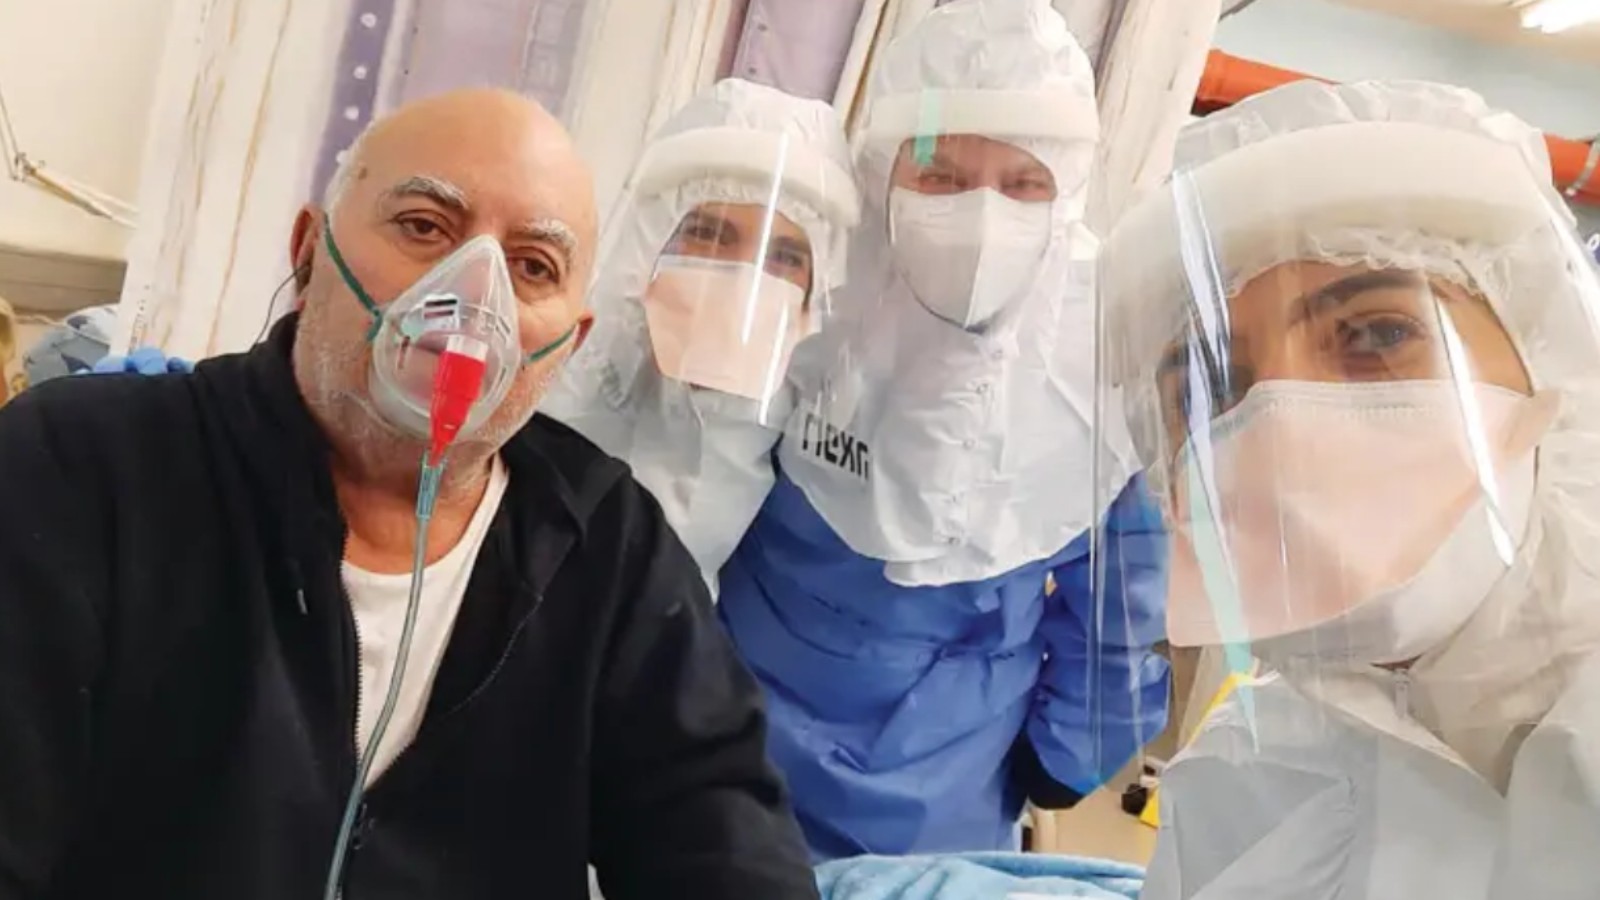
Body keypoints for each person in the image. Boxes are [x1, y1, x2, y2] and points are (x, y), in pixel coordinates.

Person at [0, 88, 818, 900]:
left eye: (533, 267)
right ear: (310, 253)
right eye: (425, 227)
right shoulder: (87, 467)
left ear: (569, 343)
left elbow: (723, 838)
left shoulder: (609, 547)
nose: (475, 297)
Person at [1097, 80, 1600, 899]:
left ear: (1548, 362)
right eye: (1211, 387)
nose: (1284, 428)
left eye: (1377, 334)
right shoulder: (1242, 774)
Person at [716, 0, 1172, 860]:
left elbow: (1121, 601)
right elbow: (699, 487)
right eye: (941, 176)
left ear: (1068, 189)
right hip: (732, 712)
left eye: (1024, 183)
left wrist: (1070, 753)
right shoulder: (812, 282)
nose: (982, 219)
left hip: (948, 770)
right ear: (882, 169)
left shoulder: (1105, 347)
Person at [540, 77, 859, 593]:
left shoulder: (801, 445)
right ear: (649, 242)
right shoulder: (555, 388)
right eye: (709, 234)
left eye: (784, 256)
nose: (745, 278)